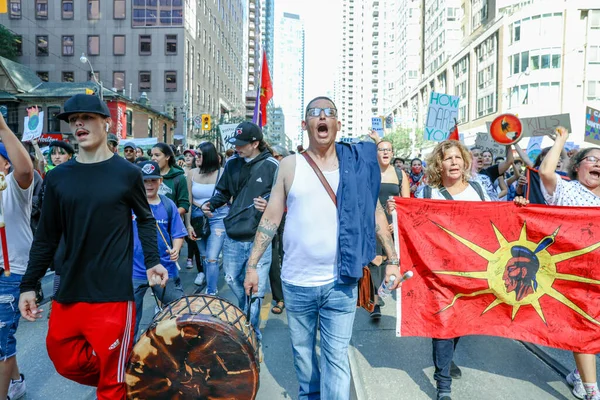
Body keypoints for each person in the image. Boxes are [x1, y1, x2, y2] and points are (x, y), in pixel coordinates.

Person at [243, 97, 400, 400]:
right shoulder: (290, 165)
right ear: (306, 125)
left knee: (336, 357)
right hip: (296, 282)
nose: (322, 118)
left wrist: (392, 258)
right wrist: (252, 265)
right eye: (315, 114)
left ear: (338, 124)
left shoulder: (355, 164)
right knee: (303, 355)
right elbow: (271, 217)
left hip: (341, 282)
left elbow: (374, 211)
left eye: (329, 113)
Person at [18, 94, 168, 400]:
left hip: (113, 295)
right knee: (64, 360)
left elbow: (145, 219)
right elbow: (45, 236)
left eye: (85, 118)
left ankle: (117, 382)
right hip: (68, 290)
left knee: (111, 387)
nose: (78, 124)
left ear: (106, 123)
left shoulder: (127, 173)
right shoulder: (58, 178)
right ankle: (129, 379)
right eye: (73, 121)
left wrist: (153, 260)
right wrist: (29, 284)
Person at [413, 140, 489, 400]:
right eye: (448, 158)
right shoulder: (427, 193)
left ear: (465, 162)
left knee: (459, 324)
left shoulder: (478, 189)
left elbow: (496, 220)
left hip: (471, 271)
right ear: (439, 164)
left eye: (458, 157)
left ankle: (448, 358)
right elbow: (414, 225)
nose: (454, 162)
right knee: (443, 325)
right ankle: (443, 384)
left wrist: (519, 206)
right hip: (439, 273)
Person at [202, 121, 278, 348]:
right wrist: (211, 204)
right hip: (234, 234)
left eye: (242, 144)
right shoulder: (232, 163)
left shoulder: (273, 165)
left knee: (256, 288)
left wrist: (270, 205)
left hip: (259, 236)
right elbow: (223, 191)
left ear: (255, 143)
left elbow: (284, 199)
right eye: (235, 143)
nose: (237, 148)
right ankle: (245, 311)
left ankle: (251, 333)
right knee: (232, 278)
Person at [537, 127, 600, 400]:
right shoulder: (566, 189)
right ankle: (590, 390)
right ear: (576, 167)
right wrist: (560, 140)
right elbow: (546, 173)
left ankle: (578, 374)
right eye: (592, 159)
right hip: (577, 276)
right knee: (584, 328)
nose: (598, 163)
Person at [0, 114, 34, 400]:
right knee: (3, 338)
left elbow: (25, 170)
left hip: (9, 274)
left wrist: (2, 128)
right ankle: (16, 382)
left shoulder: (13, 186)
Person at [132, 161, 186, 338]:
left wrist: (176, 249)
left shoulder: (169, 205)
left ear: (160, 181)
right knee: (131, 319)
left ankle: (173, 349)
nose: (149, 184)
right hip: (133, 271)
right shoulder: (129, 205)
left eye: (153, 180)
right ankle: (129, 355)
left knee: (179, 312)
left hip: (164, 269)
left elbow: (178, 233)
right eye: (145, 180)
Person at [368, 139, 410, 318]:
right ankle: (374, 301)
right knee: (373, 260)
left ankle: (379, 294)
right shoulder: (369, 173)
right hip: (371, 223)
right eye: (381, 149)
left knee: (387, 260)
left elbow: (407, 203)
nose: (385, 153)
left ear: (392, 153)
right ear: (376, 153)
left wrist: (398, 219)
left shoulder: (400, 175)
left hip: (393, 225)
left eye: (388, 150)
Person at [186, 142, 229, 293]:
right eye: (195, 154)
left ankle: (211, 291)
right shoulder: (192, 173)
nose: (195, 157)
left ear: (209, 156)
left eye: (199, 154)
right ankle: (209, 282)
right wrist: (188, 225)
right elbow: (188, 201)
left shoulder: (223, 172)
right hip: (198, 219)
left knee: (212, 258)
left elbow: (230, 197)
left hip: (218, 218)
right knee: (204, 256)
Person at [268, 145, 290, 314]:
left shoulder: (292, 173)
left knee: (288, 258)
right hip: (272, 220)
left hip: (290, 220)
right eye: (272, 156)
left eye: (277, 156)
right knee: (274, 260)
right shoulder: (267, 173)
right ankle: (279, 298)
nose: (274, 159)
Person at [150, 143, 190, 216]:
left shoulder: (179, 177)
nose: (153, 158)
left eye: (157, 155)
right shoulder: (148, 176)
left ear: (167, 157)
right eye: (151, 155)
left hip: (171, 223)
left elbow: (184, 205)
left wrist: (168, 216)